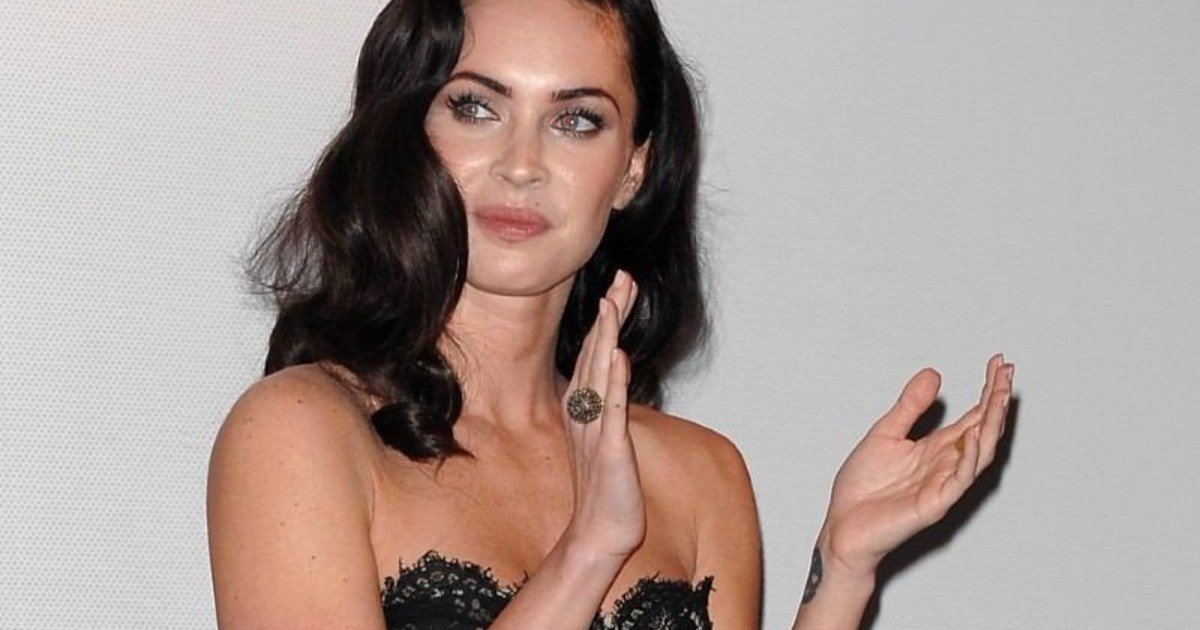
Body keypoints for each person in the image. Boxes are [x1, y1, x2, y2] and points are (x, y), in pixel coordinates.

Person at [206, 0, 1016, 628]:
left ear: (632, 169)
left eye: (576, 120)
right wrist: (591, 548)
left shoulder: (699, 475)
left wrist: (841, 572)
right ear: (406, 132)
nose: (523, 164)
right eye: (476, 108)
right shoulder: (302, 430)